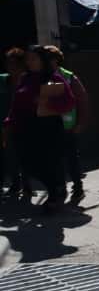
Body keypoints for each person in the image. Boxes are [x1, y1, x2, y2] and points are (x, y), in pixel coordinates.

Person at [4, 45, 75, 213]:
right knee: (27, 163)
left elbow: (68, 102)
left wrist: (46, 102)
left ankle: (54, 195)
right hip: (25, 128)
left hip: (47, 128)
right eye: (28, 59)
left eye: (33, 58)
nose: (30, 62)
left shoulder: (53, 78)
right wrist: (8, 122)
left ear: (42, 60)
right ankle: (56, 189)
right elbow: (16, 104)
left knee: (48, 163)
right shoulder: (25, 78)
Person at [44, 45, 90, 205]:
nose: (46, 62)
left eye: (49, 58)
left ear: (56, 60)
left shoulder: (69, 77)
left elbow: (83, 101)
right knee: (54, 160)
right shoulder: (40, 77)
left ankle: (78, 188)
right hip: (49, 126)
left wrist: (80, 123)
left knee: (71, 159)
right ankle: (60, 188)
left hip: (68, 125)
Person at [0, 48, 28, 199]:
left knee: (25, 155)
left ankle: (27, 185)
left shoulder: (29, 80)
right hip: (6, 123)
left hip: (24, 123)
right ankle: (15, 184)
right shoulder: (3, 80)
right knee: (9, 154)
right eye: (8, 63)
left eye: (14, 63)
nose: (10, 67)